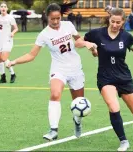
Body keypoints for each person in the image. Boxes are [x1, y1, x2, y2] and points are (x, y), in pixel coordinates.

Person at [80, 8, 133, 151]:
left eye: (118, 22)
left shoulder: (126, 37)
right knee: (114, 107)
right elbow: (78, 41)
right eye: (112, 21)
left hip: (124, 77)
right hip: (105, 77)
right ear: (109, 19)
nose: (114, 25)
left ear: (123, 22)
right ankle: (123, 141)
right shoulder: (97, 33)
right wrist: (89, 46)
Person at [7, 3, 97, 141]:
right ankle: (53, 130)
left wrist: (87, 44)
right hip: (58, 69)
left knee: (78, 102)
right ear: (47, 17)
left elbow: (78, 41)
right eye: (52, 19)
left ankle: (77, 122)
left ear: (61, 16)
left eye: (58, 18)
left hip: (75, 68)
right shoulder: (44, 35)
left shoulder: (68, 26)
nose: (55, 22)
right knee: (55, 94)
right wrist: (14, 62)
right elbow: (31, 55)